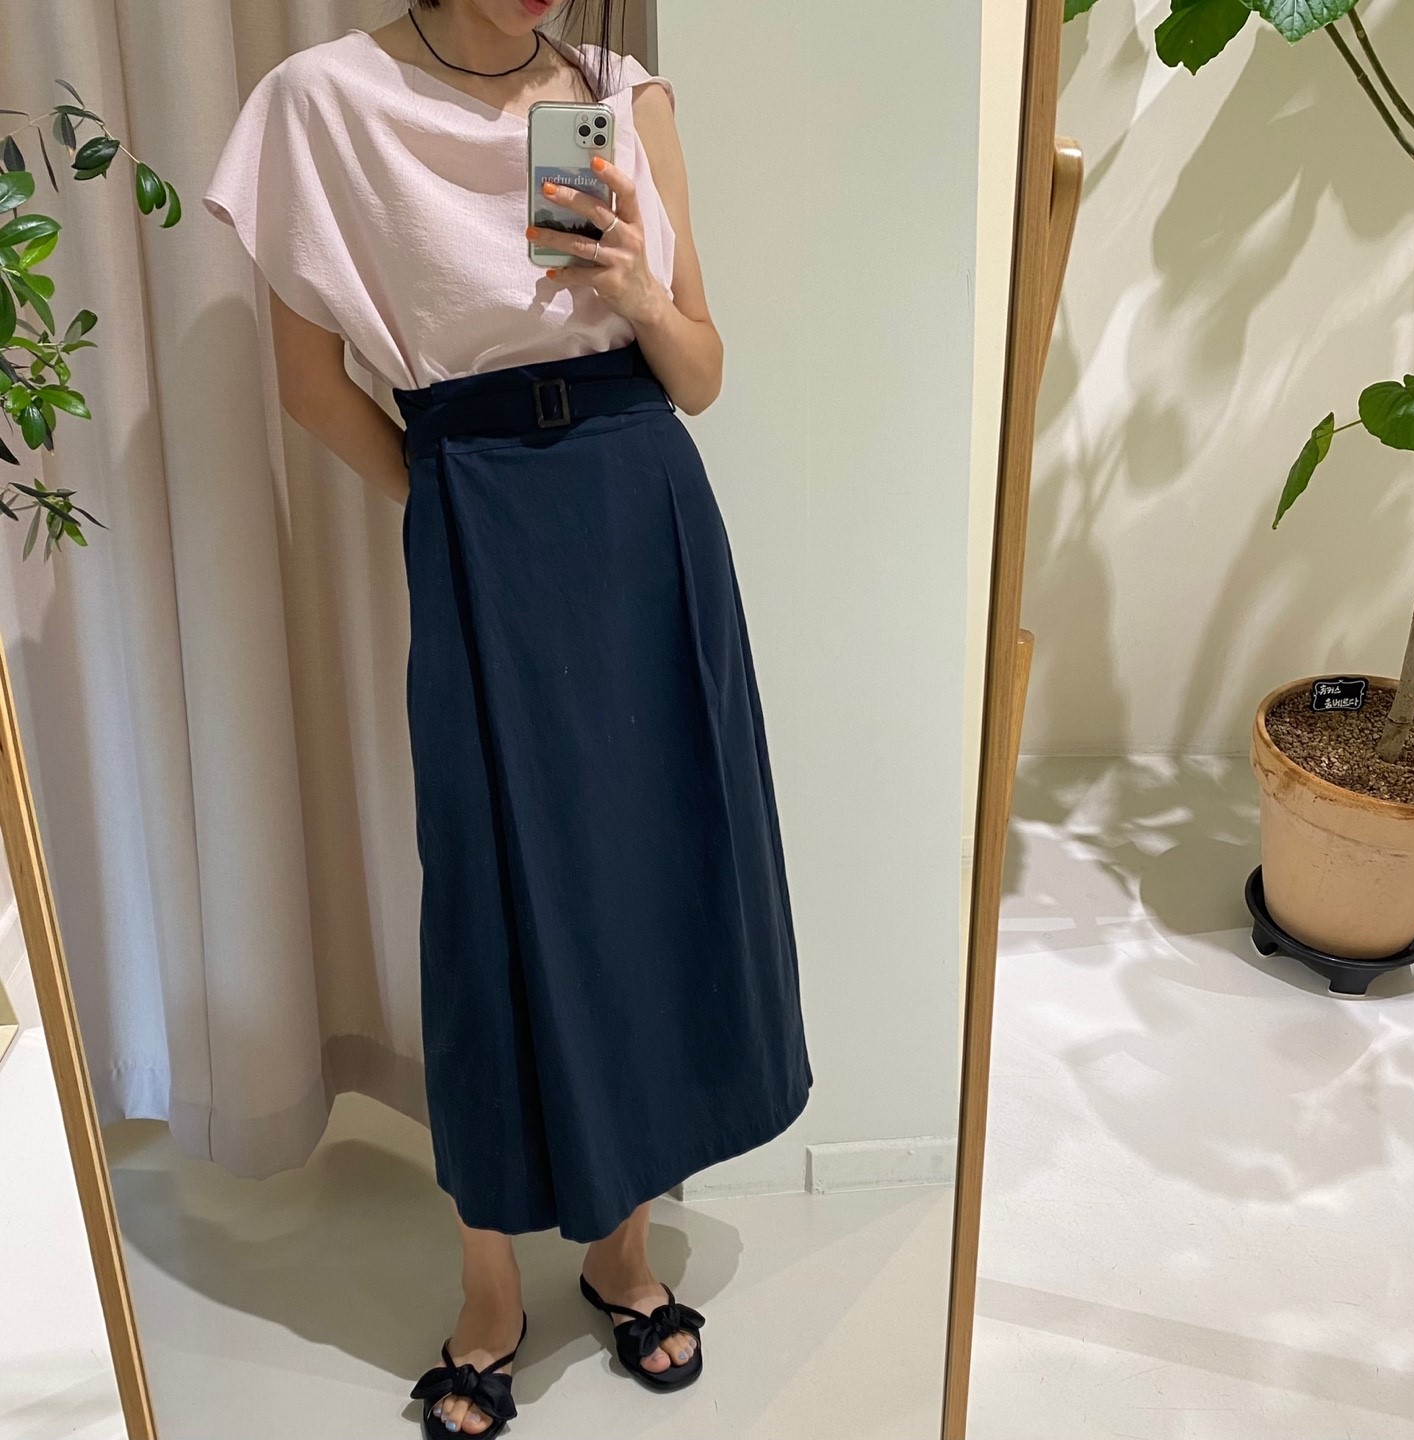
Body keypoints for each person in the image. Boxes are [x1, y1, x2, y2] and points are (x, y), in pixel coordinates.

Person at [204, 1, 812, 1434]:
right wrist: (451, 508)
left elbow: (702, 375)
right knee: (487, 900)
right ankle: (490, 1288)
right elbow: (311, 388)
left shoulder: (621, 95)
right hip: (476, 507)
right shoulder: (320, 104)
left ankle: (621, 1254)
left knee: (651, 874)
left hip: (643, 504)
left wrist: (641, 288)